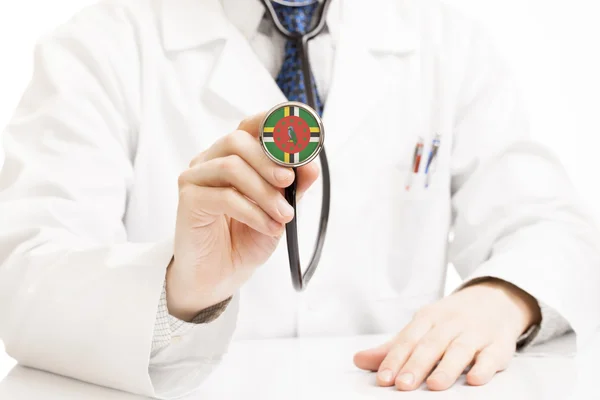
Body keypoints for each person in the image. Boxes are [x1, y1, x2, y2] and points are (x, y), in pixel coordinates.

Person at [0, 0, 599, 398]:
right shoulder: (100, 46)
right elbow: (26, 279)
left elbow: (550, 227)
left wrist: (500, 297)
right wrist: (179, 289)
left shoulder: (444, 41)